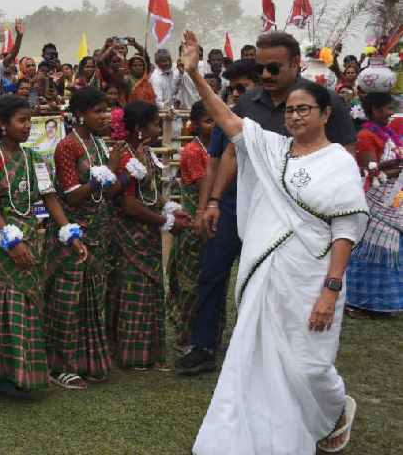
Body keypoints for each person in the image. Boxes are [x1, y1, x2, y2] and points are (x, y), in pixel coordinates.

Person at [181, 30, 369, 455]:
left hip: (313, 279)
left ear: (325, 114)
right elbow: (229, 123)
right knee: (257, 359)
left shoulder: (338, 163)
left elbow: (345, 229)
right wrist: (194, 75)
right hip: (267, 274)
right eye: (292, 111)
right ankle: (256, 438)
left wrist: (331, 288)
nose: (296, 117)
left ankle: (336, 408)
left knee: (309, 367)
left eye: (306, 110)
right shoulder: (273, 150)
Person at [0, 95, 88, 407]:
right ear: (2, 124)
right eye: (21, 120)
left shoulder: (35, 158)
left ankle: (21, 376)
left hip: (31, 242)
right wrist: (11, 241)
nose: (27, 126)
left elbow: (50, 199)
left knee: (27, 307)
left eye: (29, 120)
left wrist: (69, 234)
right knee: (3, 307)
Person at [44, 87, 124, 388]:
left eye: (107, 110)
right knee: (67, 299)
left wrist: (123, 172)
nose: (106, 117)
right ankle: (60, 365)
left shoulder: (99, 145)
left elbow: (109, 189)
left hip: (98, 231)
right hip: (73, 233)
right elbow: (73, 196)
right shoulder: (68, 146)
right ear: (80, 115)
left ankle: (87, 360)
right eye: (99, 111)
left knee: (92, 297)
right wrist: (108, 171)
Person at [111, 101, 192, 370]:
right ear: (138, 127)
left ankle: (148, 354)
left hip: (146, 232)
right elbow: (128, 203)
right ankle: (129, 355)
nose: (159, 128)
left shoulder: (145, 151)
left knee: (149, 289)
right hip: (128, 233)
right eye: (155, 123)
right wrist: (164, 221)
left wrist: (170, 208)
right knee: (132, 290)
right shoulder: (123, 155)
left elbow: (150, 195)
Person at [345, 92, 403, 316]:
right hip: (375, 199)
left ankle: (382, 302)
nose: (391, 114)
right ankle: (358, 302)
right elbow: (372, 169)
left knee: (388, 253)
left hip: (391, 198)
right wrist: (395, 166)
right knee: (368, 252)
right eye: (388, 109)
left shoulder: (389, 134)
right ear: (375, 110)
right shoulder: (366, 136)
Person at [168, 100, 213, 353]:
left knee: (212, 281)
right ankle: (186, 336)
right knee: (189, 285)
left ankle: (209, 336)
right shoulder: (193, 151)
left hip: (213, 223)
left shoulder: (217, 147)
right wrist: (200, 213)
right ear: (194, 125)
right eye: (208, 121)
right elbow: (203, 182)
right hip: (194, 226)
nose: (215, 125)